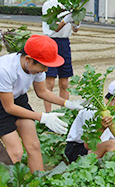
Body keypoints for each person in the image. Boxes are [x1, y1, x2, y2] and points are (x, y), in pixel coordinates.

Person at [0, 35, 84, 172]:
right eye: (44, 66)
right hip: (3, 104)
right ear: (28, 59)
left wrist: (67, 103)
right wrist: (43, 117)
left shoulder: (36, 67)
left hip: (18, 99)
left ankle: (40, 184)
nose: (45, 70)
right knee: (15, 152)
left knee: (33, 145)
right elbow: (9, 107)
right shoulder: (4, 70)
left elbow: (42, 92)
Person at [65, 80, 115, 163]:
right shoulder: (91, 111)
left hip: (98, 148)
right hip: (78, 150)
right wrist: (101, 128)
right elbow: (88, 145)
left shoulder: (112, 111)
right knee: (113, 145)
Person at [42, 0, 79, 113]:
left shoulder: (71, 5)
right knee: (50, 83)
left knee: (64, 83)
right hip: (50, 43)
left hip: (64, 43)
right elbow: (54, 28)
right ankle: (48, 115)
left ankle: (64, 113)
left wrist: (76, 22)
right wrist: (66, 19)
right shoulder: (48, 5)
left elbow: (75, 30)